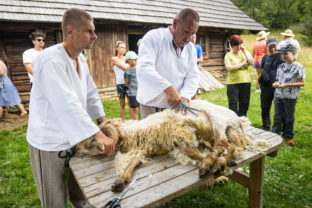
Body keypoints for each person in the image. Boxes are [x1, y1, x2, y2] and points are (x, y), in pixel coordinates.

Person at [26, 8, 114, 208]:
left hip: (74, 136)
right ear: (70, 31)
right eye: (89, 31)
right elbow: (64, 102)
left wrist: (102, 119)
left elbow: (90, 93)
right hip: (49, 140)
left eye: (94, 31)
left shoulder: (80, 58)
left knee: (80, 190)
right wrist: (98, 134)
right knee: (54, 199)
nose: (95, 36)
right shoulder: (50, 60)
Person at [137, 8, 200, 119]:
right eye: (186, 31)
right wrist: (168, 88)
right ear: (175, 23)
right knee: (152, 136)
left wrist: (185, 96)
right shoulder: (154, 38)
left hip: (177, 107)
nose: (189, 38)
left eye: (193, 33)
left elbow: (193, 76)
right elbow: (144, 68)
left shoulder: (191, 49)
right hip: (151, 105)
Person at [272, 44, 305, 147]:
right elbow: (278, 80)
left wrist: (287, 85)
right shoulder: (280, 66)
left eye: (286, 53)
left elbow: (302, 83)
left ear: (293, 54)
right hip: (278, 95)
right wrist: (276, 83)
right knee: (277, 116)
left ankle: (288, 137)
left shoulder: (298, 66)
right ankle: (275, 135)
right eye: (282, 54)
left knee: (289, 118)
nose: (283, 56)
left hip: (290, 97)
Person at [224, 35, 254, 117]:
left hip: (245, 82)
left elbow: (252, 63)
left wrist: (244, 52)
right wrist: (242, 64)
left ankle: (243, 121)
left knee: (244, 103)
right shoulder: (228, 55)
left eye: (240, 44)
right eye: (236, 45)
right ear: (232, 45)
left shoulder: (245, 52)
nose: (238, 47)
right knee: (233, 104)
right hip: (233, 83)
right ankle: (234, 122)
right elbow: (229, 68)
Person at [259, 37, 283, 131]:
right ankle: (265, 126)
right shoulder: (265, 57)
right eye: (270, 46)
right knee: (264, 107)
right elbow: (262, 70)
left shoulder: (280, 56)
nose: (273, 48)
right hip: (266, 87)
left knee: (279, 109)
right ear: (266, 46)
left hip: (278, 86)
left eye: (274, 46)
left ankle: (278, 128)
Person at [0, 49, 27, 119]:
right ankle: (23, 111)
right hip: (5, 82)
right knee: (12, 96)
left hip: (2, 82)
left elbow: (1, 73)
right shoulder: (1, 61)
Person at [111, 41, 129, 121]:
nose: (123, 49)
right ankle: (122, 121)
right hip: (120, 84)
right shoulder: (114, 59)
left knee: (131, 104)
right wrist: (131, 65)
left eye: (124, 48)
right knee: (122, 105)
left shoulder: (127, 58)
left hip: (128, 83)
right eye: (121, 47)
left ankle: (134, 121)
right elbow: (125, 67)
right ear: (117, 48)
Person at [124, 51, 139, 120]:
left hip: (140, 92)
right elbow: (127, 83)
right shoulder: (127, 71)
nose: (135, 60)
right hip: (132, 93)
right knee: (135, 110)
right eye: (133, 59)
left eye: (136, 58)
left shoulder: (139, 69)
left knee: (142, 110)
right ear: (128, 60)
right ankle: (136, 125)